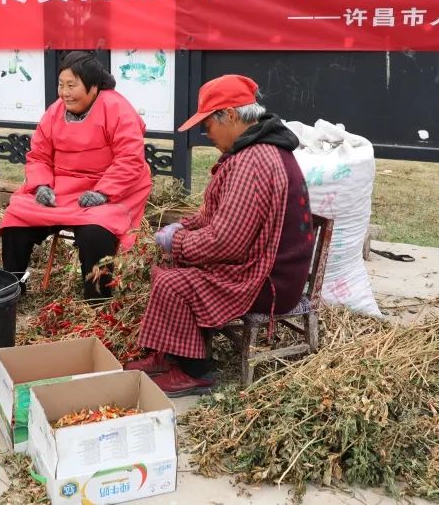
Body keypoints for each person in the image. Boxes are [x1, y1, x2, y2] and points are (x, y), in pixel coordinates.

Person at [125, 75, 314, 396]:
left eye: (208, 124)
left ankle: (194, 371)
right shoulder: (255, 150)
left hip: (267, 280)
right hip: (267, 265)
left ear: (229, 115)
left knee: (173, 281)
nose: (206, 133)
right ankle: (171, 353)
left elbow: (226, 243)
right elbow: (220, 218)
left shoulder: (253, 162)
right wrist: (186, 228)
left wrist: (179, 242)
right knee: (170, 268)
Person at [0, 51, 153, 301]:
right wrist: (41, 185)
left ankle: (97, 300)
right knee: (16, 217)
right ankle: (11, 288)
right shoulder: (55, 110)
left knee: (96, 231)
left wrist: (103, 192)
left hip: (111, 191)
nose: (64, 92)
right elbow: (38, 155)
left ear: (94, 87)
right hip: (61, 187)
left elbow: (130, 159)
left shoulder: (117, 109)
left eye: (72, 85)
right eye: (61, 85)